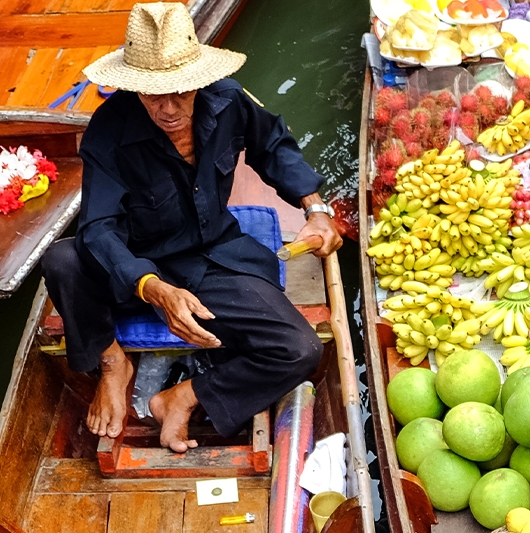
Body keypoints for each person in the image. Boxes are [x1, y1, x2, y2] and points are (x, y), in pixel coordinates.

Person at [40, 2, 344, 452]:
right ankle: (111, 363)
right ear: (134, 89)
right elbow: (100, 228)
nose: (168, 108)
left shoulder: (229, 99)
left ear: (198, 80)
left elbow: (273, 146)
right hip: (134, 261)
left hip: (211, 256)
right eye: (152, 95)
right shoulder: (109, 129)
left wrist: (315, 208)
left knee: (300, 349)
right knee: (62, 258)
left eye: (180, 92)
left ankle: (181, 398)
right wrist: (152, 286)